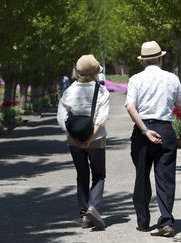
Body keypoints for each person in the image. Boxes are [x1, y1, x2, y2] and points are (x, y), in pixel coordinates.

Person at [125, 41, 181, 237]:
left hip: (143, 132)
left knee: (141, 175)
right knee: (165, 177)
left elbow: (130, 106)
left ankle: (143, 221)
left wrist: (144, 130)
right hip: (165, 129)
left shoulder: (135, 79)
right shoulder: (172, 78)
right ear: (161, 58)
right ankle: (166, 220)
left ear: (143, 61)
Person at [57, 54, 110, 230]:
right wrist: (90, 138)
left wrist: (74, 138)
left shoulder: (69, 91)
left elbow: (61, 118)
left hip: (74, 141)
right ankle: (93, 207)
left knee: (82, 175)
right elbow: (101, 119)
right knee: (99, 175)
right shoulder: (101, 91)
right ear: (95, 73)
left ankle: (83, 214)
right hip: (96, 140)